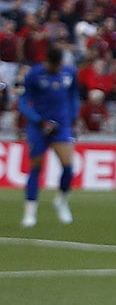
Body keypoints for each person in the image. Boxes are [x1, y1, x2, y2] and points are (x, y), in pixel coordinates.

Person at [19, 43, 79, 228]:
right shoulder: (35, 75)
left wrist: (72, 117)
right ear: (48, 62)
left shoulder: (69, 73)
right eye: (54, 66)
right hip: (39, 127)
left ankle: (61, 200)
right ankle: (30, 212)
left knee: (68, 167)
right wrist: (37, 120)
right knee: (36, 168)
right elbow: (22, 101)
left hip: (61, 127)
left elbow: (73, 95)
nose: (57, 69)